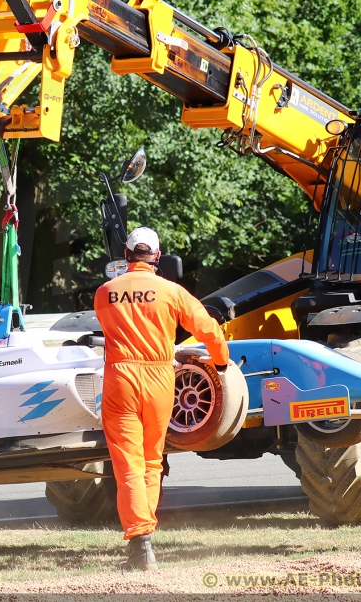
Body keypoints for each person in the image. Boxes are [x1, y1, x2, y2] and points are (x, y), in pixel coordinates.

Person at [94, 227, 230, 570]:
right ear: (157, 258)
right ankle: (145, 540)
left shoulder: (105, 292)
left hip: (121, 379)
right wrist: (222, 360)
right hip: (158, 379)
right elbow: (208, 326)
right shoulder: (172, 291)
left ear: (126, 256)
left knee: (128, 465)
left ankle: (141, 544)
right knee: (152, 461)